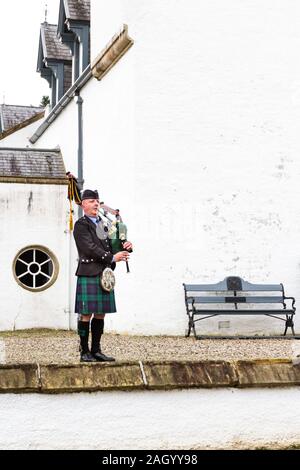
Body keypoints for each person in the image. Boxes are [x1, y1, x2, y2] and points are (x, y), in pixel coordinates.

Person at [73, 189, 133, 362]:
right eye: (91, 201)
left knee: (100, 313)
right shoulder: (81, 225)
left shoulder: (103, 225)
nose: (96, 204)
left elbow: (111, 245)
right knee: (86, 314)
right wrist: (112, 257)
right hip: (89, 272)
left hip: (104, 274)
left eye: (97, 201)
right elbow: (89, 247)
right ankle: (84, 351)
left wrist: (125, 247)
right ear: (84, 204)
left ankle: (96, 350)